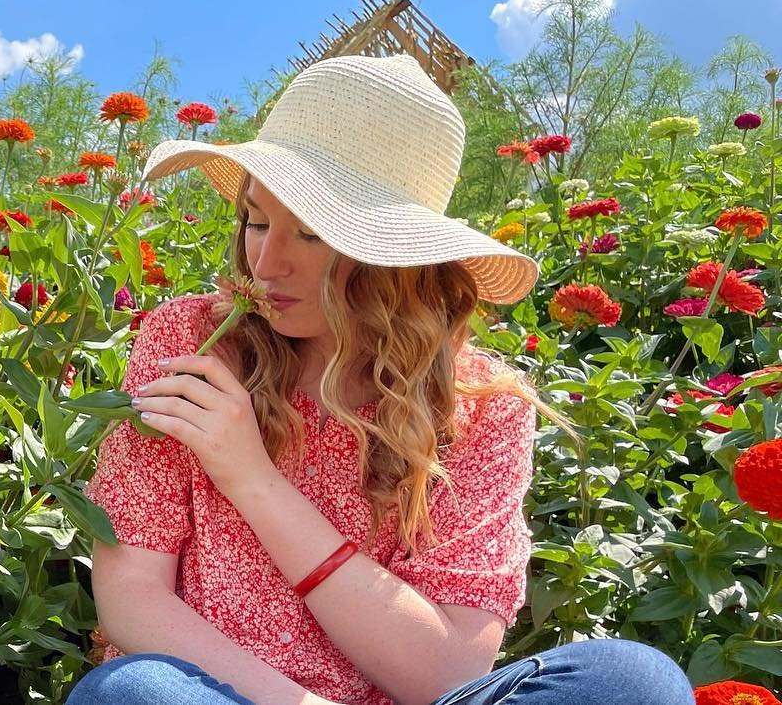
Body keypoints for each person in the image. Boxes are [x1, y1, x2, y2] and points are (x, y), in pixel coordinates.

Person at [66, 55, 693, 705]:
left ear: (395, 258)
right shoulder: (193, 342)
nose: (265, 260)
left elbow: (447, 674)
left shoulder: (482, 407)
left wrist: (252, 480)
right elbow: (131, 600)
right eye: (255, 220)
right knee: (135, 692)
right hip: (219, 696)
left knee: (634, 683)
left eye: (310, 234)